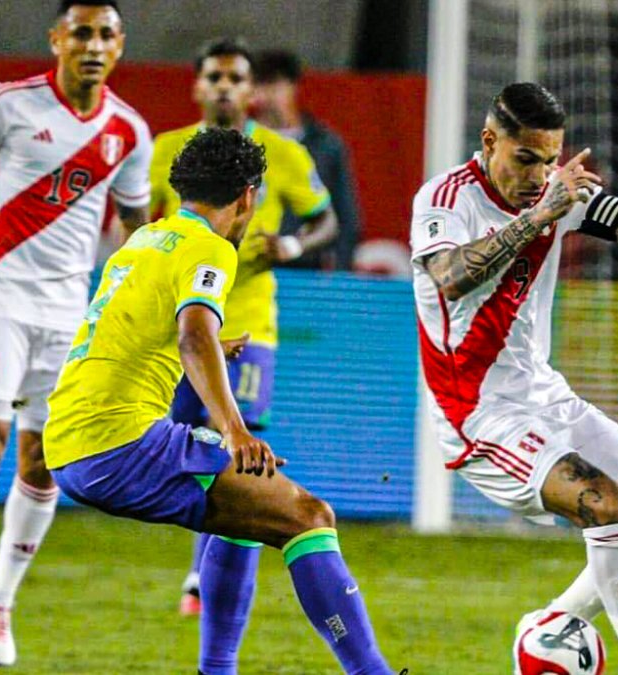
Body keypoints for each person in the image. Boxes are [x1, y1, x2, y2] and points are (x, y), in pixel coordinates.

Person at [44, 127, 393, 675]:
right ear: (249, 196)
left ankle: (219, 671)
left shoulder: (146, 240)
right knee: (308, 516)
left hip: (68, 441)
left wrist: (206, 344)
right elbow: (192, 335)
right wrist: (233, 429)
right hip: (119, 441)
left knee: (245, 510)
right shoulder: (212, 246)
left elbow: (133, 329)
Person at [413, 82, 618, 675]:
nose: (538, 174)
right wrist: (541, 214)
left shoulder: (556, 190)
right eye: (525, 159)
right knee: (608, 507)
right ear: (490, 142)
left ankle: (547, 626)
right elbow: (450, 277)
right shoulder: (446, 198)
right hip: (479, 415)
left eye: (549, 160)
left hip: (547, 395)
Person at [0, 0, 152, 665]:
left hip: (67, 312)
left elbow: (135, 230)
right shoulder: (6, 104)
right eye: (80, 32)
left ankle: (0, 599)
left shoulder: (128, 131)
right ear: (56, 39)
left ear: (120, 45)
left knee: (43, 460)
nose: (93, 44)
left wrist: (137, 305)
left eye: (106, 34)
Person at [148, 38, 339, 626]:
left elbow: (325, 218)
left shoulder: (282, 154)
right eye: (215, 76)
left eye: (236, 77)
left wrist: (293, 244)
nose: (226, 87)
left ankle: (205, 579)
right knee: (185, 441)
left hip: (250, 322)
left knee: (233, 442)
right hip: (177, 321)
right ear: (198, 86)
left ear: (250, 90)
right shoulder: (164, 152)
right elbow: (140, 224)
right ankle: (208, 565)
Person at [252, 48, 362, 271]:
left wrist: (341, 273)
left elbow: (345, 216)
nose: (268, 95)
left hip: (305, 267)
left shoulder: (325, 145)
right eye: (261, 86)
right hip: (251, 265)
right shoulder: (240, 142)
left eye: (276, 85)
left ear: (293, 87)